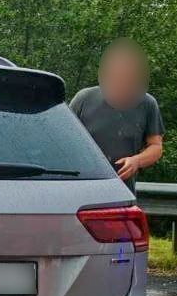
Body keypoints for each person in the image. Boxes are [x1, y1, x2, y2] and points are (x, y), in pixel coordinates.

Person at [70, 38, 164, 193]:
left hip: (121, 191)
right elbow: (64, 140)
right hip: (81, 189)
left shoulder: (147, 103)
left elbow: (156, 147)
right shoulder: (84, 98)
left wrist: (136, 161)